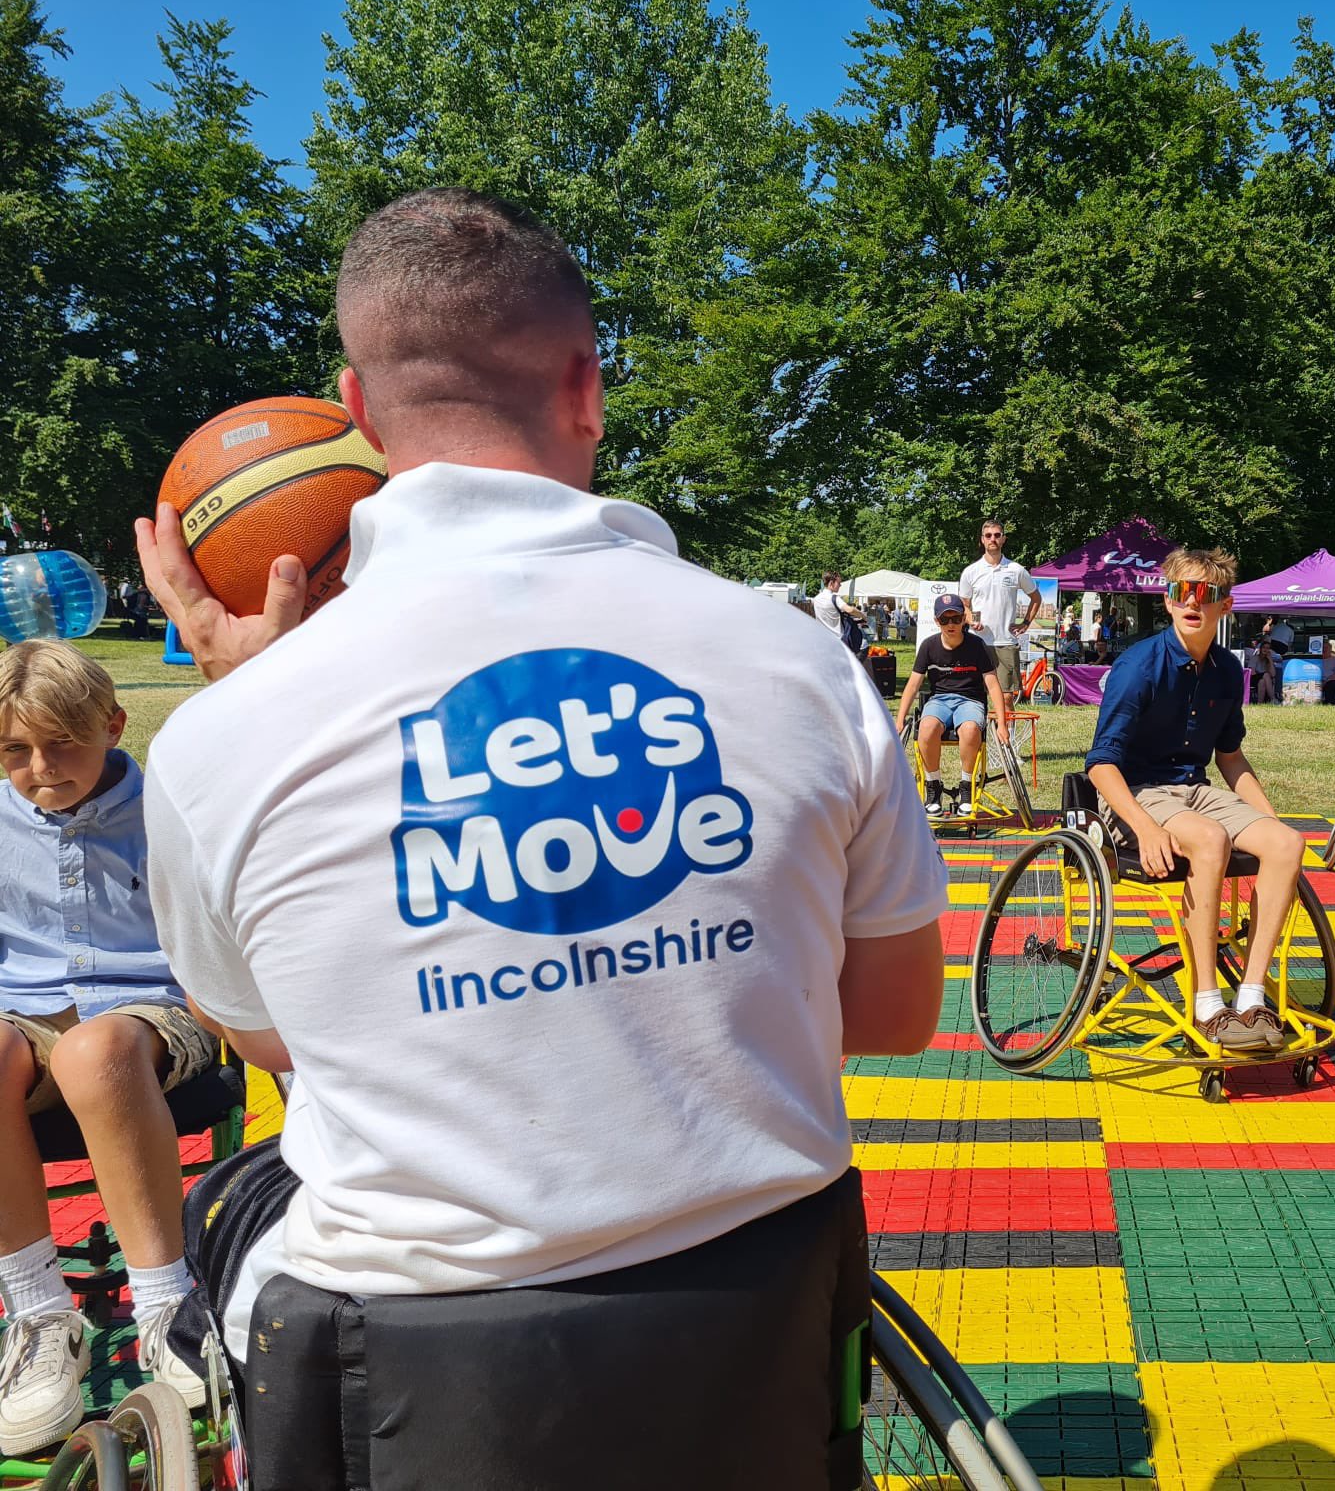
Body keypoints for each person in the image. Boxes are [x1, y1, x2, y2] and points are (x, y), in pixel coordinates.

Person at [132, 187, 948, 1488]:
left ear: (356, 407)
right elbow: (899, 1012)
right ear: (589, 388)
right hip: (767, 1333)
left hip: (417, 1383)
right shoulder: (800, 663)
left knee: (236, 1205)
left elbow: (292, 1040)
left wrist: (261, 703)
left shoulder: (222, 748)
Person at [0, 640, 209, 1453]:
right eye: (15, 750)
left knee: (95, 1052)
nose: (42, 768)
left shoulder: (169, 815)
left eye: (64, 744)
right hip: (26, 1014)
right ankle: (40, 1314)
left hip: (147, 1014)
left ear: (114, 726)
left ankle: (164, 1304)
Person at [1084, 548, 1308, 1054]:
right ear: (1167, 600)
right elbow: (1101, 764)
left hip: (1194, 787)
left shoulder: (1229, 669)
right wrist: (1144, 828)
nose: (1193, 601)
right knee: (1210, 840)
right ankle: (1207, 1001)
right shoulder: (1139, 666)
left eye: (1205, 594)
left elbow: (1230, 757)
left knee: (1288, 843)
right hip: (1135, 792)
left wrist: (1267, 821)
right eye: (1182, 591)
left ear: (1224, 606)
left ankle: (1251, 996)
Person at [895, 594, 1009, 818]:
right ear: (937, 621)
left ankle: (966, 785)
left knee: (969, 729)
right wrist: (899, 720)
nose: (951, 625)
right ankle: (933, 786)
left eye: (955, 619)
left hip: (970, 700)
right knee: (926, 728)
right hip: (940, 700)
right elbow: (913, 685)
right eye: (944, 620)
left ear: (963, 619)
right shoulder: (929, 646)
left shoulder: (977, 645)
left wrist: (1002, 723)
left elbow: (993, 685)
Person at [958, 521, 1040, 708]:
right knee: (976, 698)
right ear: (982, 540)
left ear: (1003, 539)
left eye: (997, 535)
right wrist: (971, 621)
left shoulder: (1016, 570)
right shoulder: (971, 571)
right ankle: (980, 736)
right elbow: (964, 604)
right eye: (988, 535)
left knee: (1006, 699)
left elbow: (1036, 598)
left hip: (1006, 642)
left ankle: (1005, 737)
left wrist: (1025, 622)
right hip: (977, 642)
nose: (992, 539)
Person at [812, 570, 868, 649]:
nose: (840, 585)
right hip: (838, 639)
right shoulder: (834, 598)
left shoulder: (816, 599)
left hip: (822, 639)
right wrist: (863, 615)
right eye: (838, 583)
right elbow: (850, 610)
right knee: (864, 646)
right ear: (831, 583)